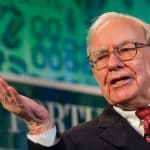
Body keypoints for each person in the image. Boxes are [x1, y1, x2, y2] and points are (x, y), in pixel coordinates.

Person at [1, 11, 150, 150]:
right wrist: (39, 126)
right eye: (101, 56)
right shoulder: (76, 143)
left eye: (125, 50)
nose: (112, 64)